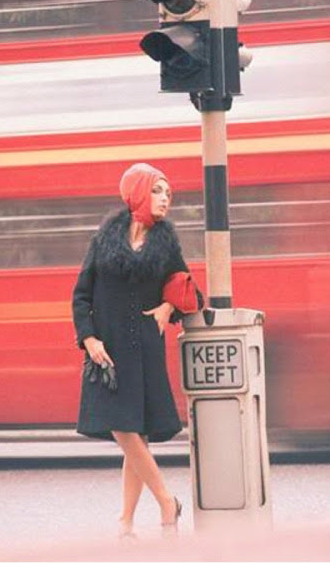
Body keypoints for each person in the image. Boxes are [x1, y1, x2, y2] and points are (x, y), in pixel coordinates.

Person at [71, 162, 203, 538]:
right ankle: (166, 501)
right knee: (124, 430)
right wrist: (90, 339)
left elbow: (187, 289)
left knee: (135, 436)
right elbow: (81, 296)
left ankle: (127, 520)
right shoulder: (104, 241)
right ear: (137, 194)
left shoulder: (165, 242)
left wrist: (166, 307)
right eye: (158, 191)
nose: (165, 199)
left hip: (144, 350)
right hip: (108, 353)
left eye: (168, 193)